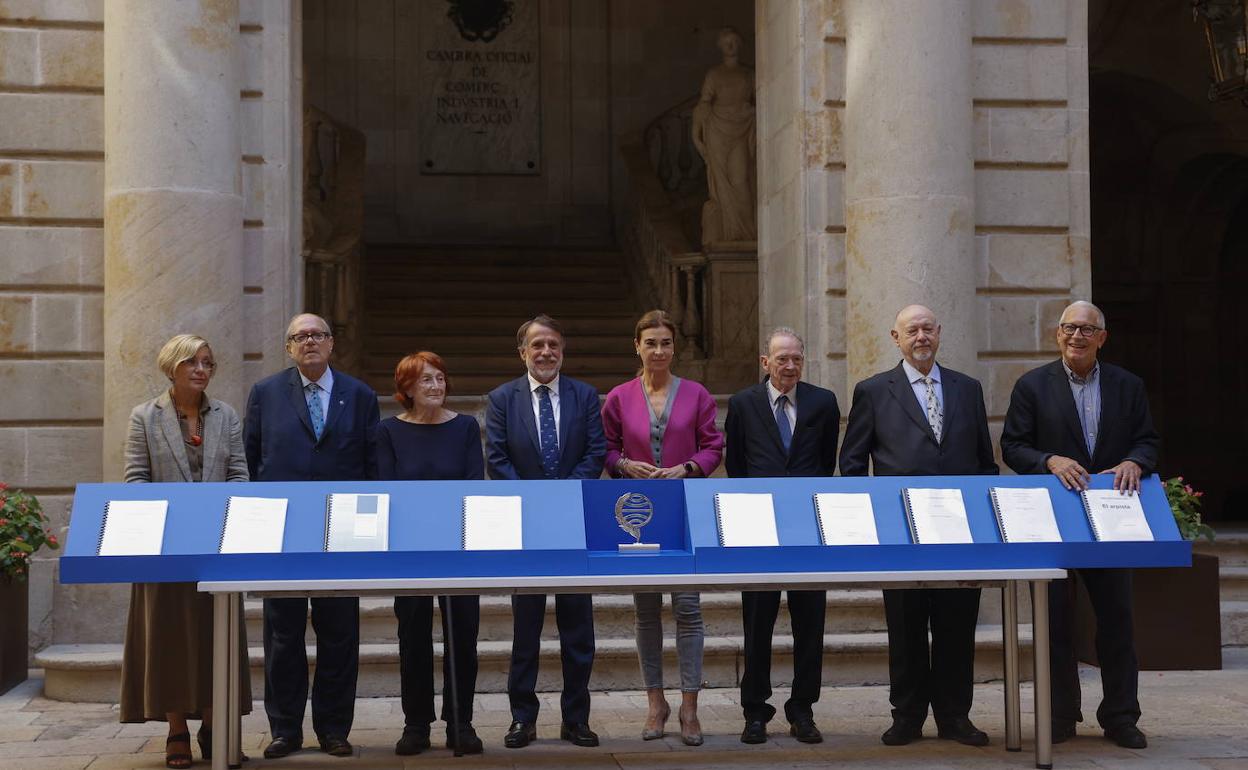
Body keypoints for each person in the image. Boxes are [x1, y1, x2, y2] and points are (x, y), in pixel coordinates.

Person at [1000, 300, 1159, 750]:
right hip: (1053, 519)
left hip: (1112, 522)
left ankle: (1121, 717)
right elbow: (1013, 446)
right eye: (1069, 328)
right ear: (1057, 334)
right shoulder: (1031, 386)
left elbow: (1148, 440)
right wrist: (1049, 460)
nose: (1077, 336)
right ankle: (1060, 715)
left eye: (1087, 330)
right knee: (1054, 622)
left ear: (1102, 338)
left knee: (1117, 620)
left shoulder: (1128, 386)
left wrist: (1134, 460)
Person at [839, 304, 997, 748]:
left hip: (960, 532)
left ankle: (955, 717)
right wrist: (870, 520)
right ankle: (907, 716)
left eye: (928, 328)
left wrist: (982, 523)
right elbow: (851, 463)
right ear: (896, 337)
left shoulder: (968, 389)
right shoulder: (873, 391)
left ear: (940, 332)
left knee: (957, 624)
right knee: (905, 627)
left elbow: (986, 461)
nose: (921, 336)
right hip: (900, 531)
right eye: (912, 330)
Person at [245, 313, 379, 759]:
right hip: (283, 532)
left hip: (344, 531)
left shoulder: (359, 395)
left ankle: (334, 728)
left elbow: (371, 464)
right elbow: (251, 459)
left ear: (332, 343)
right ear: (288, 348)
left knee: (339, 635)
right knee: (282, 636)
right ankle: (285, 729)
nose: (309, 342)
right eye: (300, 337)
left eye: (317, 335)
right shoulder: (265, 394)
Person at [120, 334, 250, 769]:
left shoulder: (226, 415)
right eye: (192, 362)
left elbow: (239, 476)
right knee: (169, 636)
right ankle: (176, 730)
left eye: (208, 363)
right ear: (171, 367)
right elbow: (135, 480)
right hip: (164, 547)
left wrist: (219, 518)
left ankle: (214, 727)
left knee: (217, 633)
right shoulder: (145, 416)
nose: (201, 370)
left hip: (216, 544)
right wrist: (172, 520)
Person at [602, 310, 724, 746]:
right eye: (650, 342)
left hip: (685, 512)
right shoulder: (618, 397)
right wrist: (621, 464)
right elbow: (607, 447)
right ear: (637, 346)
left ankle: (690, 707)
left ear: (675, 348)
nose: (658, 350)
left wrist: (688, 467)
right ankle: (656, 703)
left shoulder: (696, 394)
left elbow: (713, 446)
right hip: (638, 515)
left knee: (688, 610)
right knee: (646, 611)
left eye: (665, 343)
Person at [485, 314, 606, 748]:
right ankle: (523, 718)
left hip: (575, 525)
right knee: (526, 631)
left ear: (562, 350)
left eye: (553, 344)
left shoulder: (585, 396)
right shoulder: (502, 399)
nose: (546, 352)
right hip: (527, 530)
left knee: (579, 632)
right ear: (523, 352)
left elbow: (596, 452)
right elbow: (496, 458)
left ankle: (576, 718)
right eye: (537, 345)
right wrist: (535, 503)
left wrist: (563, 496)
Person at [723, 327, 840, 745]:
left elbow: (827, 461)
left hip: (808, 528)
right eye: (781, 359)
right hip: (758, 529)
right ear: (765, 362)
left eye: (796, 358)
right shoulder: (742, 404)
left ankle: (803, 709)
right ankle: (755, 711)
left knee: (811, 624)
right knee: (757, 623)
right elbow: (736, 464)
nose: (789, 366)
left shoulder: (823, 402)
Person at [375, 352, 485, 756]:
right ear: (406, 389)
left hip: (459, 549)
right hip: (410, 550)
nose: (436, 386)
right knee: (413, 637)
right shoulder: (388, 431)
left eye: (440, 378)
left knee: (463, 637)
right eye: (425, 380)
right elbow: (388, 490)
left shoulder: (466, 427)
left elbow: (475, 485)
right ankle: (416, 724)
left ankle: (461, 722)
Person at [692, 26, 756, 244]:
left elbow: (763, 101)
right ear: (720, 46)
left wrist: (751, 112)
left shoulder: (749, 74)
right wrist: (696, 138)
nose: (730, 45)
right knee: (721, 184)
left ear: (740, 43)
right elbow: (702, 105)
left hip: (743, 128)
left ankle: (747, 233)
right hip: (717, 130)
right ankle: (730, 235)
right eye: (726, 41)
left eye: (734, 40)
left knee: (741, 181)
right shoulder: (715, 74)